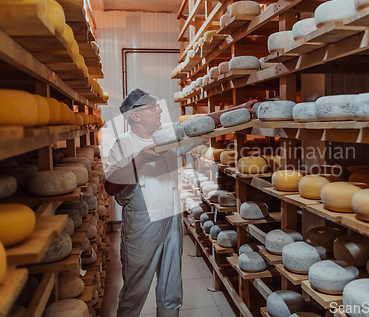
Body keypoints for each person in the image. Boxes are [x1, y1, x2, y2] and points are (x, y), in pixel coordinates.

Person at [104, 88, 256, 317]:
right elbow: (110, 186)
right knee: (135, 287)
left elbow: (201, 123)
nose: (158, 109)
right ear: (135, 116)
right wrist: (141, 159)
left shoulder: (165, 134)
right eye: (152, 107)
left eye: (158, 105)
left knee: (171, 283)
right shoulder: (123, 144)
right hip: (141, 226)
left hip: (171, 221)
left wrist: (239, 109)